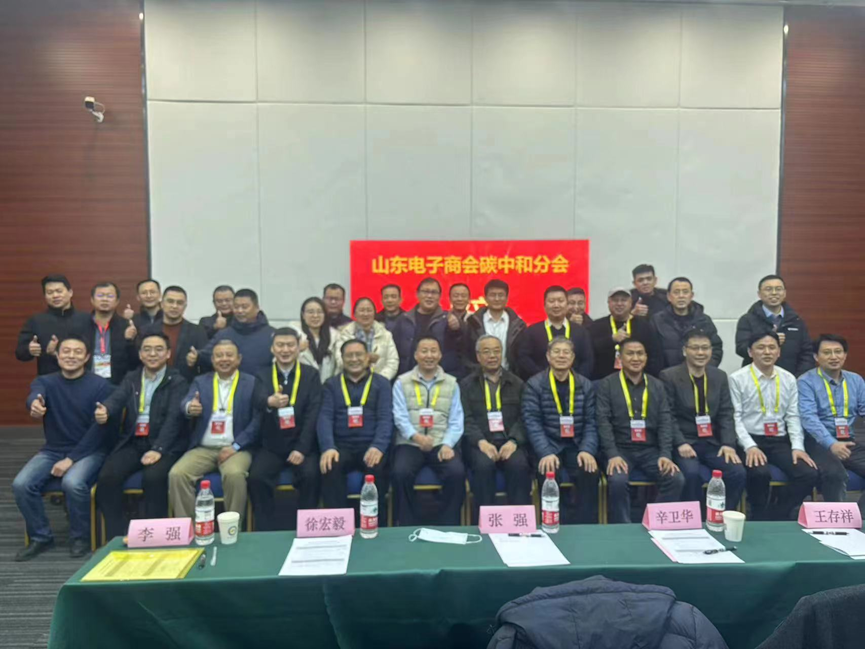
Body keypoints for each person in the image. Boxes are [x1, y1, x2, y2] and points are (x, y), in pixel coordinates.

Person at [12, 336, 114, 560]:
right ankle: (41, 537)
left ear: (87, 357)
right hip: (53, 450)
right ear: (57, 355)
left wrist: (71, 459)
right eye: (66, 351)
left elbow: (99, 432)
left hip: (90, 450)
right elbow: (35, 396)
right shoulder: (45, 382)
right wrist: (34, 404)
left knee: (72, 483)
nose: (71, 356)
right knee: (21, 484)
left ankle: (80, 537)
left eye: (78, 352)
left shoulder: (100, 386)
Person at [94, 333, 188, 540]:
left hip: (166, 445)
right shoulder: (132, 378)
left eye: (158, 349)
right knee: (108, 477)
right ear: (140, 354)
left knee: (153, 478)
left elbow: (174, 419)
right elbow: (116, 399)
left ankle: (153, 537)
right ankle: (116, 537)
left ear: (168, 353)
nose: (152, 354)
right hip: (135, 441)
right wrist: (106, 410)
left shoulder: (177, 381)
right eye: (147, 349)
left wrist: (158, 449)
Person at [169, 339, 261, 522]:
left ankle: (233, 528)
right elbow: (186, 402)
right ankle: (187, 528)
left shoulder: (252, 383)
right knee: (177, 474)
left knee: (234, 475)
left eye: (229, 355)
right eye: (219, 355)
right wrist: (190, 407)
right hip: (204, 448)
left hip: (237, 448)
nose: (224, 359)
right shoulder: (201, 381)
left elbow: (257, 421)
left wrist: (236, 446)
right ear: (212, 360)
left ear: (239, 359)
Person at [729, 332, 818, 520]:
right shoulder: (737, 378)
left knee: (808, 474)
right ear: (750, 352)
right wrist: (750, 446)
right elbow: (734, 418)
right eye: (761, 348)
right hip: (750, 440)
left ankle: (775, 515)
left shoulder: (788, 378)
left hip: (778, 440)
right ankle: (758, 515)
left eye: (772, 347)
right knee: (759, 473)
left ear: (779, 352)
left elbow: (793, 416)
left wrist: (797, 447)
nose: (767, 352)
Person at [596, 339, 684, 524]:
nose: (635, 358)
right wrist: (612, 454)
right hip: (620, 450)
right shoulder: (607, 384)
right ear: (620, 358)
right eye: (630, 353)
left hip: (650, 450)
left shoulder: (657, 385)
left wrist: (665, 454)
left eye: (640, 353)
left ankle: (655, 522)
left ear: (646, 357)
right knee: (618, 481)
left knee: (675, 478)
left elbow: (665, 421)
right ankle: (623, 528)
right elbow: (603, 422)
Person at [661, 329, 745, 507]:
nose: (700, 353)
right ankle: (696, 517)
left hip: (712, 442)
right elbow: (667, 415)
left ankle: (723, 514)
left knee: (737, 472)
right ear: (685, 351)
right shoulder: (669, 376)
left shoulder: (719, 376)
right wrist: (680, 442)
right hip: (685, 442)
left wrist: (728, 444)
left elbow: (726, 413)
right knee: (691, 474)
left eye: (705, 348)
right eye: (695, 348)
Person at [248, 328, 322, 530]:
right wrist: (269, 401)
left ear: (299, 348)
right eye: (280, 345)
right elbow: (257, 399)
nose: (285, 350)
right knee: (256, 478)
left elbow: (313, 414)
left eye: (290, 345)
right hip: (272, 445)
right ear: (272, 349)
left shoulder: (311, 375)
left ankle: (307, 528)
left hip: (302, 444)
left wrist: (301, 448)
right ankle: (266, 530)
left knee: (311, 476)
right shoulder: (263, 374)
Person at [522, 338, 599, 522]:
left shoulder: (585, 385)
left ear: (572, 358)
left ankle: (584, 525)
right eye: (556, 352)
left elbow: (591, 422)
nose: (561, 356)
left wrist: (587, 450)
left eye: (566, 352)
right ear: (548, 356)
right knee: (547, 470)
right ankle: (554, 523)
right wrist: (545, 452)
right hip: (549, 445)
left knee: (589, 470)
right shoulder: (534, 384)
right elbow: (532, 422)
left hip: (576, 445)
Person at [391, 336, 465, 525]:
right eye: (424, 351)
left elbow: (456, 420)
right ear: (416, 355)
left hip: (440, 442)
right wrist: (415, 436)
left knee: (456, 472)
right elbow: (399, 416)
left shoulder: (452, 383)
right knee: (400, 472)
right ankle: (406, 524)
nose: (429, 355)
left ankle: (448, 524)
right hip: (410, 442)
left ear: (440, 355)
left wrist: (448, 444)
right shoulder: (401, 382)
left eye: (433, 351)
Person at [318, 339, 392, 515]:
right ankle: (338, 522)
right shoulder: (331, 384)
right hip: (341, 446)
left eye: (359, 355)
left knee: (378, 468)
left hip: (371, 445)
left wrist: (378, 446)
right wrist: (328, 447)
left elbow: (385, 418)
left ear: (367, 358)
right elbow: (325, 417)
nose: (354, 359)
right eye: (349, 355)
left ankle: (376, 523)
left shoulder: (382, 383)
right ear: (342, 359)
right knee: (330, 466)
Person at [461, 335, 532, 511]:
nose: (492, 356)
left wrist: (514, 441)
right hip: (481, 443)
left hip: (510, 442)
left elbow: (525, 417)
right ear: (478, 356)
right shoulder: (467, 385)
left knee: (519, 465)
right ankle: (486, 520)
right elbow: (466, 418)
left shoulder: (517, 383)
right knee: (483, 466)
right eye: (486, 352)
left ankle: (519, 519)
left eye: (496, 351)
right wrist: (481, 442)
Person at [798, 334, 865, 517]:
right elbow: (808, 418)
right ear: (816, 356)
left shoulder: (856, 380)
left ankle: (858, 518)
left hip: (848, 440)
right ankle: (837, 521)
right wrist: (831, 443)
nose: (833, 357)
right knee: (835, 474)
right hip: (817, 442)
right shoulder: (806, 381)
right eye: (827, 352)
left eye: (838, 352)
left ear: (845, 355)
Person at [735, 274, 814, 376]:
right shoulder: (748, 320)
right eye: (768, 289)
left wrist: (799, 378)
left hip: (790, 378)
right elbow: (741, 349)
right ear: (759, 294)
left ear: (784, 293)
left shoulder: (796, 320)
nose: (774, 293)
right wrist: (768, 340)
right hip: (756, 377)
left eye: (778, 289)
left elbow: (807, 353)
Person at [16, 274, 91, 376]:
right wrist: (29, 350)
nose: (55, 295)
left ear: (70, 292)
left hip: (83, 378)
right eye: (50, 292)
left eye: (59, 291)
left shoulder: (87, 319)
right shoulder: (36, 321)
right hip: (49, 378)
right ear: (45, 296)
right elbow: (20, 353)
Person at [516, 285, 593, 381]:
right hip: (541, 384)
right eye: (551, 301)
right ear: (544, 305)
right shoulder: (531, 331)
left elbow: (587, 360)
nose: (556, 305)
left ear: (567, 304)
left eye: (560, 301)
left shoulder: (581, 331)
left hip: (574, 384)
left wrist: (576, 379)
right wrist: (542, 377)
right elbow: (524, 358)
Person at [393, 278, 465, 378]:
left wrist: (458, 327)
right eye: (425, 292)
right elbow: (394, 351)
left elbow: (460, 348)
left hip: (440, 379)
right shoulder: (403, 320)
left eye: (434, 292)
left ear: (440, 296)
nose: (429, 296)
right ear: (417, 294)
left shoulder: (448, 319)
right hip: (408, 377)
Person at [589, 287, 662, 380]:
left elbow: (654, 355)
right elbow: (590, 352)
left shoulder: (644, 326)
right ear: (608, 303)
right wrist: (611, 339)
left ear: (631, 303)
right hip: (604, 380)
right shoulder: (596, 326)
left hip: (638, 380)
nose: (619, 304)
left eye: (623, 300)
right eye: (615, 300)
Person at [652, 277, 723, 368]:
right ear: (669, 296)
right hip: (666, 374)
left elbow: (716, 348)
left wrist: (706, 369)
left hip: (699, 372)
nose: (681, 296)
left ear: (691, 296)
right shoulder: (657, 321)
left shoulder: (704, 320)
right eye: (676, 292)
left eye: (685, 292)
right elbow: (652, 352)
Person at [201, 288, 275, 375]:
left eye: (244, 307)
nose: (240, 311)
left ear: (257, 307)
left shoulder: (272, 335)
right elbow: (205, 357)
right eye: (236, 307)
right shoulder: (223, 334)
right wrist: (196, 356)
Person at [144, 285, 208, 382]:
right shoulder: (147, 330)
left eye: (179, 303)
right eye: (170, 301)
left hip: (185, 385)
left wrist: (197, 358)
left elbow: (207, 361)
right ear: (162, 304)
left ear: (185, 307)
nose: (174, 306)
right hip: (153, 384)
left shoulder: (197, 331)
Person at [465, 279, 526, 372]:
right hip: (479, 376)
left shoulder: (518, 325)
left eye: (501, 295)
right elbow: (466, 353)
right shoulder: (473, 323)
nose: (497, 299)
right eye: (493, 295)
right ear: (485, 298)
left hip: (510, 376)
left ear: (507, 298)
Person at [334, 297, 399, 380]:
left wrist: (379, 380)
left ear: (374, 313)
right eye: (362, 310)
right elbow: (340, 360)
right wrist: (366, 359)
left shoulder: (385, 334)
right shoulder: (344, 334)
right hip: (348, 381)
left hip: (379, 382)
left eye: (369, 310)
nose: (365, 314)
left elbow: (392, 362)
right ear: (354, 314)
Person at [86, 281, 136, 385]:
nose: (105, 299)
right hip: (87, 382)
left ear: (117, 301)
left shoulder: (126, 326)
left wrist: (129, 341)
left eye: (110, 296)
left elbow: (134, 362)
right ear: (92, 300)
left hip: (118, 384)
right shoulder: (81, 325)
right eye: (100, 295)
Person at [290, 297, 339, 383]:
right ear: (303, 315)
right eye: (310, 312)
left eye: (319, 312)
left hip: (327, 386)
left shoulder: (335, 337)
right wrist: (296, 350)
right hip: (300, 385)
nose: (315, 316)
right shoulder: (293, 337)